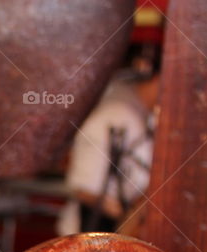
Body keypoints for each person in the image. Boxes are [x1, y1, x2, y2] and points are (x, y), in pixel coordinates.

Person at [58, 46, 160, 236]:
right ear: (159, 79)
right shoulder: (115, 114)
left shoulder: (140, 114)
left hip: (117, 237)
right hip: (93, 238)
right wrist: (129, 217)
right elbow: (84, 187)